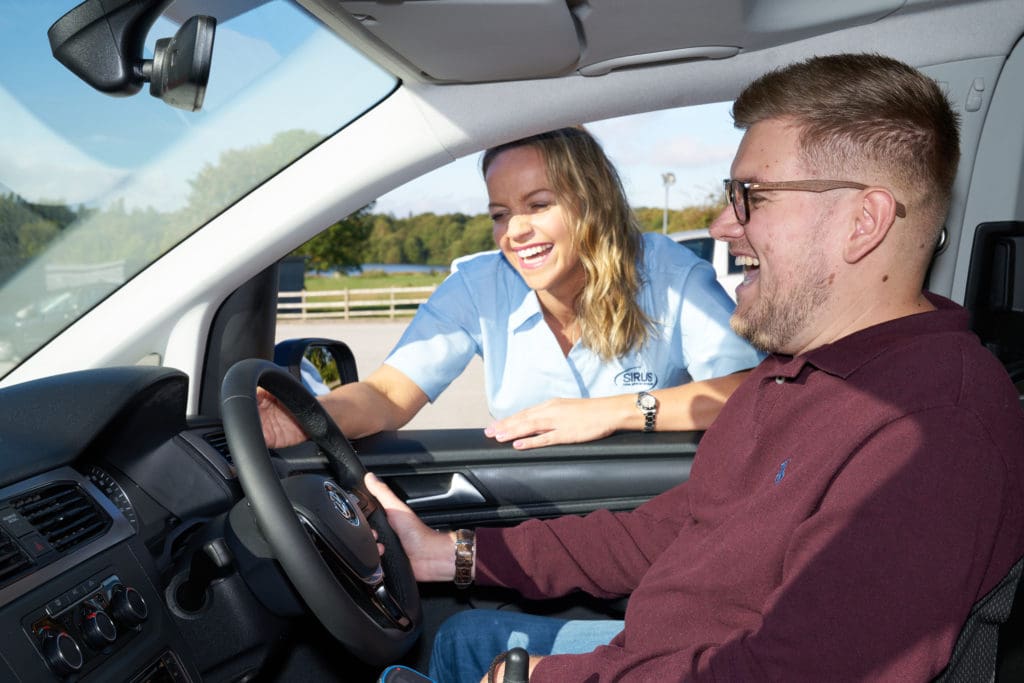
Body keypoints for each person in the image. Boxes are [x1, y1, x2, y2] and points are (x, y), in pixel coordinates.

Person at [364, 52, 1024, 681]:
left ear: (863, 222)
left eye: (751, 197)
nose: (720, 226)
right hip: (657, 651)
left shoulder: (932, 431)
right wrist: (452, 554)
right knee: (458, 638)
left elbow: (792, 673)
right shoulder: (794, 373)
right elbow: (675, 529)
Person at [261, 126, 761, 450]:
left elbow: (748, 394)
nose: (514, 232)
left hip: (651, 512)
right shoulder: (478, 286)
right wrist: (303, 417)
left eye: (538, 205)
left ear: (593, 203)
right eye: (500, 214)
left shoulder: (667, 274)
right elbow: (388, 394)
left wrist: (608, 414)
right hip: (532, 514)